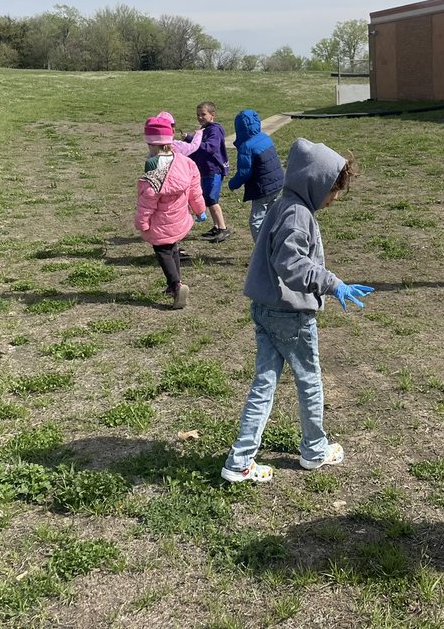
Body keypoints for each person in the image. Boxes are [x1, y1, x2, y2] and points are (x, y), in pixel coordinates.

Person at [221, 138, 374, 483]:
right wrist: (334, 284)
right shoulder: (297, 214)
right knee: (309, 381)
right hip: (290, 315)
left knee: (264, 383)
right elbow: (290, 263)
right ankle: (314, 449)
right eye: (333, 191)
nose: (334, 199)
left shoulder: (282, 204)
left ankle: (239, 460)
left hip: (266, 309)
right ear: (315, 184)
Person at [134, 116, 207, 309]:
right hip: (179, 218)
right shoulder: (185, 163)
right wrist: (200, 210)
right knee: (172, 247)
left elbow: (147, 202)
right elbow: (195, 190)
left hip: (160, 223)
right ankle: (174, 283)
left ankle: (176, 285)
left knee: (163, 251)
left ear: (151, 143)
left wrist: (142, 222)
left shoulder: (153, 169)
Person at [227, 109, 286, 242]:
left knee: (256, 220)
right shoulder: (266, 137)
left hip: (263, 188)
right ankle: (276, 244)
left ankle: (262, 250)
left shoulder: (246, 147)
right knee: (273, 217)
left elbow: (244, 172)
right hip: (278, 184)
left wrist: (233, 184)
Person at [183, 102, 230, 242]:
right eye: (198, 115)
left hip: (213, 169)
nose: (200, 117)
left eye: (203, 114)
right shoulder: (205, 128)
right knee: (207, 199)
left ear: (212, 115)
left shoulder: (215, 130)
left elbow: (211, 147)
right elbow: (199, 145)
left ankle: (223, 228)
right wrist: (190, 139)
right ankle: (216, 227)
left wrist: (192, 142)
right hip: (205, 169)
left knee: (211, 199)